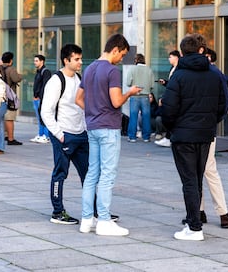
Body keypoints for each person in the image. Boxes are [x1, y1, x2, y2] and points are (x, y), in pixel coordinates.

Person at [161, 34, 227, 241]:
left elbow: (168, 109)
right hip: (205, 134)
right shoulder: (214, 74)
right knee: (197, 178)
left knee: (189, 180)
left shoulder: (178, 76)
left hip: (183, 135)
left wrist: (172, 128)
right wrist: (209, 122)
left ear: (181, 53)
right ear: (201, 50)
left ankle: (194, 226)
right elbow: (223, 105)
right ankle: (195, 220)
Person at [77, 34, 141, 236]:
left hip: (93, 126)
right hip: (108, 127)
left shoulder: (89, 69)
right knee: (107, 174)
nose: (121, 59)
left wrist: (93, 110)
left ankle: (87, 220)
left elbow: (78, 99)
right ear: (115, 49)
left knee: (92, 174)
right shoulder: (112, 71)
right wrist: (129, 93)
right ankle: (104, 220)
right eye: (121, 54)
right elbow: (115, 102)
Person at [41, 43, 89, 225]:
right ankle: (58, 211)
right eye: (76, 59)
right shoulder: (56, 81)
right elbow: (46, 111)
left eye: (80, 58)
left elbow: (82, 106)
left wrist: (85, 128)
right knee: (60, 173)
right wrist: (59, 134)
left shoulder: (79, 79)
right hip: (64, 134)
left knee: (89, 174)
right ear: (66, 60)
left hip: (80, 134)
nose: (80, 62)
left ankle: (94, 210)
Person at [198, 47, 228, 229]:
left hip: (191, 130)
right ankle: (222, 213)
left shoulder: (183, 71)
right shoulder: (215, 73)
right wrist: (214, 119)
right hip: (208, 127)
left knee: (196, 172)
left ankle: (200, 211)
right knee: (210, 171)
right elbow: (224, 103)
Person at [126, 53, 155, 143]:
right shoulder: (149, 70)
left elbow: (128, 82)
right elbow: (152, 85)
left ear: (136, 60)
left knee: (133, 117)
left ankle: (132, 137)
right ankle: (146, 137)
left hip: (135, 96)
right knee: (146, 117)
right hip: (145, 96)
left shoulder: (132, 69)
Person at [155, 50, 180, 147]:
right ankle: (169, 137)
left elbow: (175, 86)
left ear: (176, 57)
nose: (169, 59)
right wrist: (165, 82)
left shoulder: (179, 69)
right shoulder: (172, 68)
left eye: (170, 57)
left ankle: (169, 138)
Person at [1, 51, 23, 146]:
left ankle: (5, 135)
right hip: (10, 97)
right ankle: (10, 138)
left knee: (3, 117)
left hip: (1, 96)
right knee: (10, 118)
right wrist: (21, 76)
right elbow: (16, 79)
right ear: (11, 60)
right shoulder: (11, 69)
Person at [30, 54, 52, 144]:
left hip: (42, 98)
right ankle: (40, 134)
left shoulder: (45, 72)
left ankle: (46, 136)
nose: (35, 62)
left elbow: (45, 86)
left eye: (36, 61)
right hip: (37, 98)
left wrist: (40, 96)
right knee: (39, 118)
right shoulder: (39, 71)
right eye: (34, 61)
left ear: (42, 61)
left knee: (44, 117)